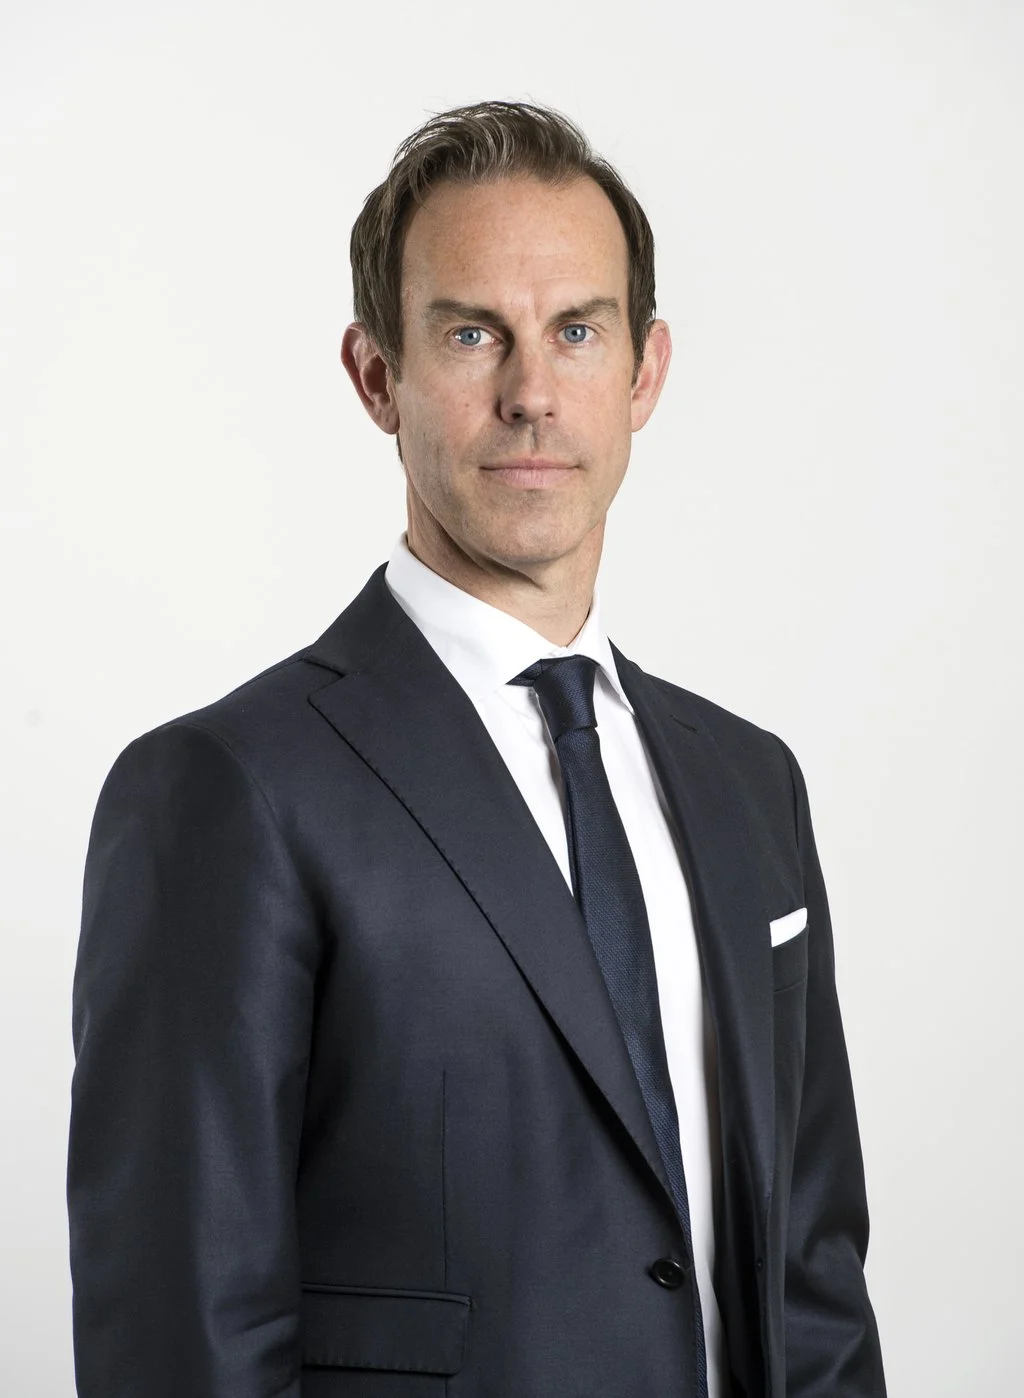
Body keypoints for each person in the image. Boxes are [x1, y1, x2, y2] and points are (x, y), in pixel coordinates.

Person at [67, 101, 886, 1397]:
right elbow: (182, 1338)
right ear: (376, 374)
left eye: (577, 329)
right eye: (470, 333)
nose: (531, 391)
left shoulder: (748, 784)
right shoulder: (230, 791)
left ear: (645, 371)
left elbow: (813, 1282)